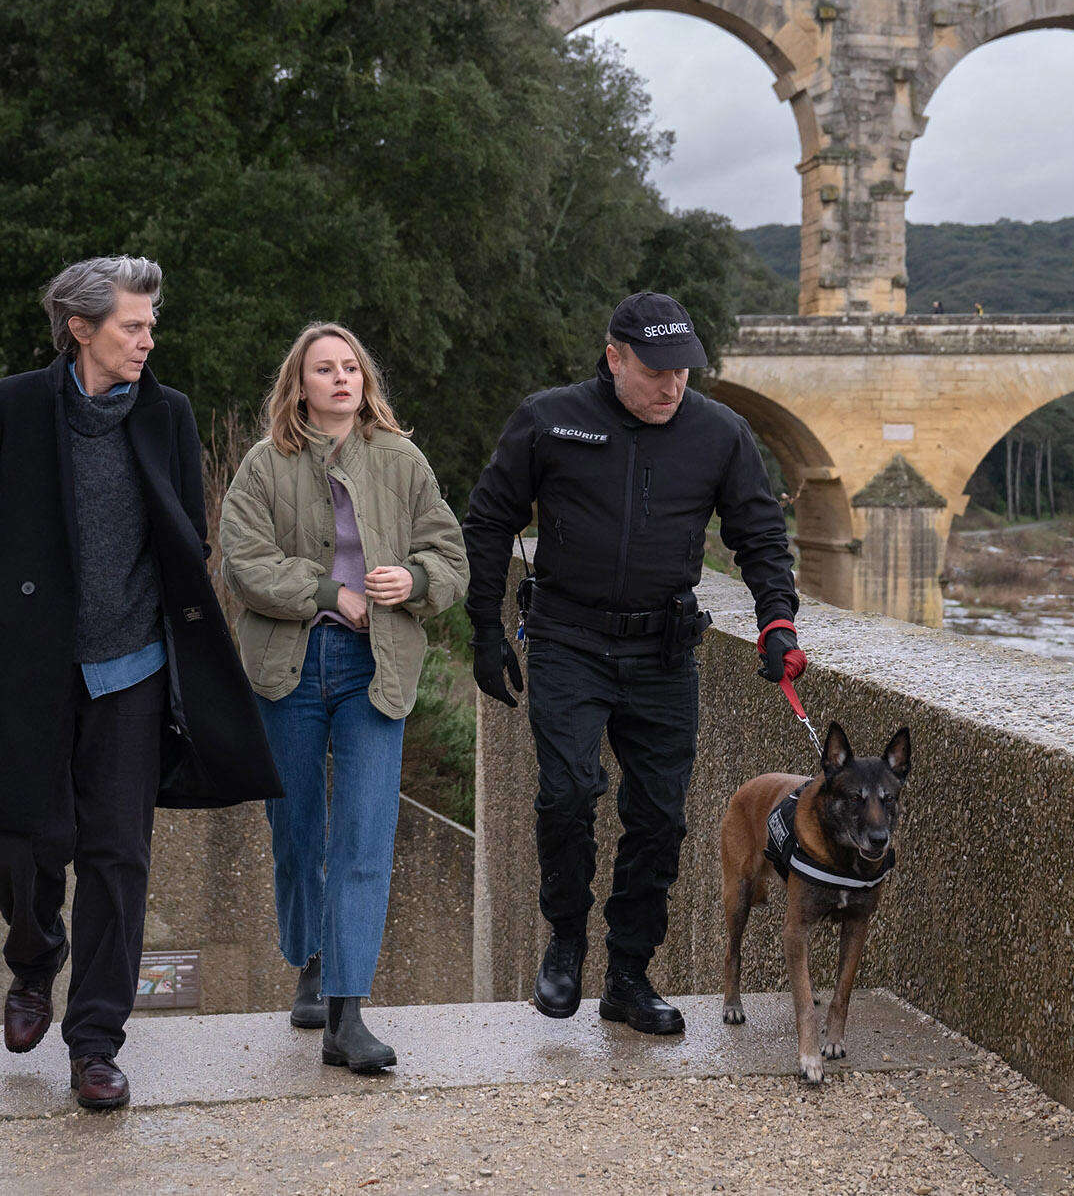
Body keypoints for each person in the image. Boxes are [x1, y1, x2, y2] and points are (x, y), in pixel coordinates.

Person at [0, 256, 284, 1111]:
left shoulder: (168, 415)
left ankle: (95, 1042)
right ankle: (33, 958)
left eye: (151, 324)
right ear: (81, 328)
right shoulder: (10, 407)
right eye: (134, 325)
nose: (148, 339)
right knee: (16, 844)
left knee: (118, 858)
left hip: (132, 670)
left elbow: (184, 536)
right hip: (27, 669)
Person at [462, 292, 806, 1035]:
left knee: (659, 817)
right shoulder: (550, 418)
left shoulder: (720, 433)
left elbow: (760, 535)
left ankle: (627, 973)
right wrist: (483, 627)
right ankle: (563, 942)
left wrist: (777, 622)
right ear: (614, 356)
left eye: (684, 370)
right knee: (567, 793)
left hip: (663, 651)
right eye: (655, 371)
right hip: (566, 641)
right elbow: (489, 518)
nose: (672, 386)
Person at [219, 322, 468, 1074]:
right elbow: (244, 563)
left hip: (375, 665)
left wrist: (415, 580)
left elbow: (449, 557)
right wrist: (333, 592)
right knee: (296, 828)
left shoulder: (402, 459)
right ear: (299, 384)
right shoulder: (265, 465)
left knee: (364, 832)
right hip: (288, 665)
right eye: (324, 368)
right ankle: (310, 959)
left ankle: (346, 1012)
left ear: (365, 381)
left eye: (351, 366)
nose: (340, 378)